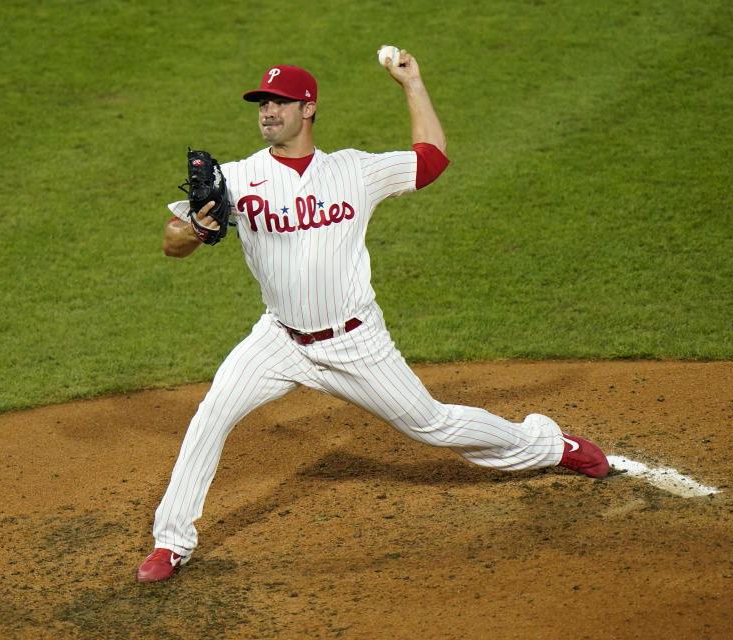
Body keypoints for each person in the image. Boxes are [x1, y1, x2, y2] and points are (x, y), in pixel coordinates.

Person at [137, 49, 609, 583]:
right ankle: (171, 542)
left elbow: (431, 158)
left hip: (355, 342)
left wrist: (413, 82)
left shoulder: (354, 171)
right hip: (279, 340)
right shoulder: (237, 178)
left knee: (432, 424)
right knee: (212, 416)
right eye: (262, 103)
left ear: (308, 108)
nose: (268, 111)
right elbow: (172, 243)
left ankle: (547, 445)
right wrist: (197, 230)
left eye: (280, 102)